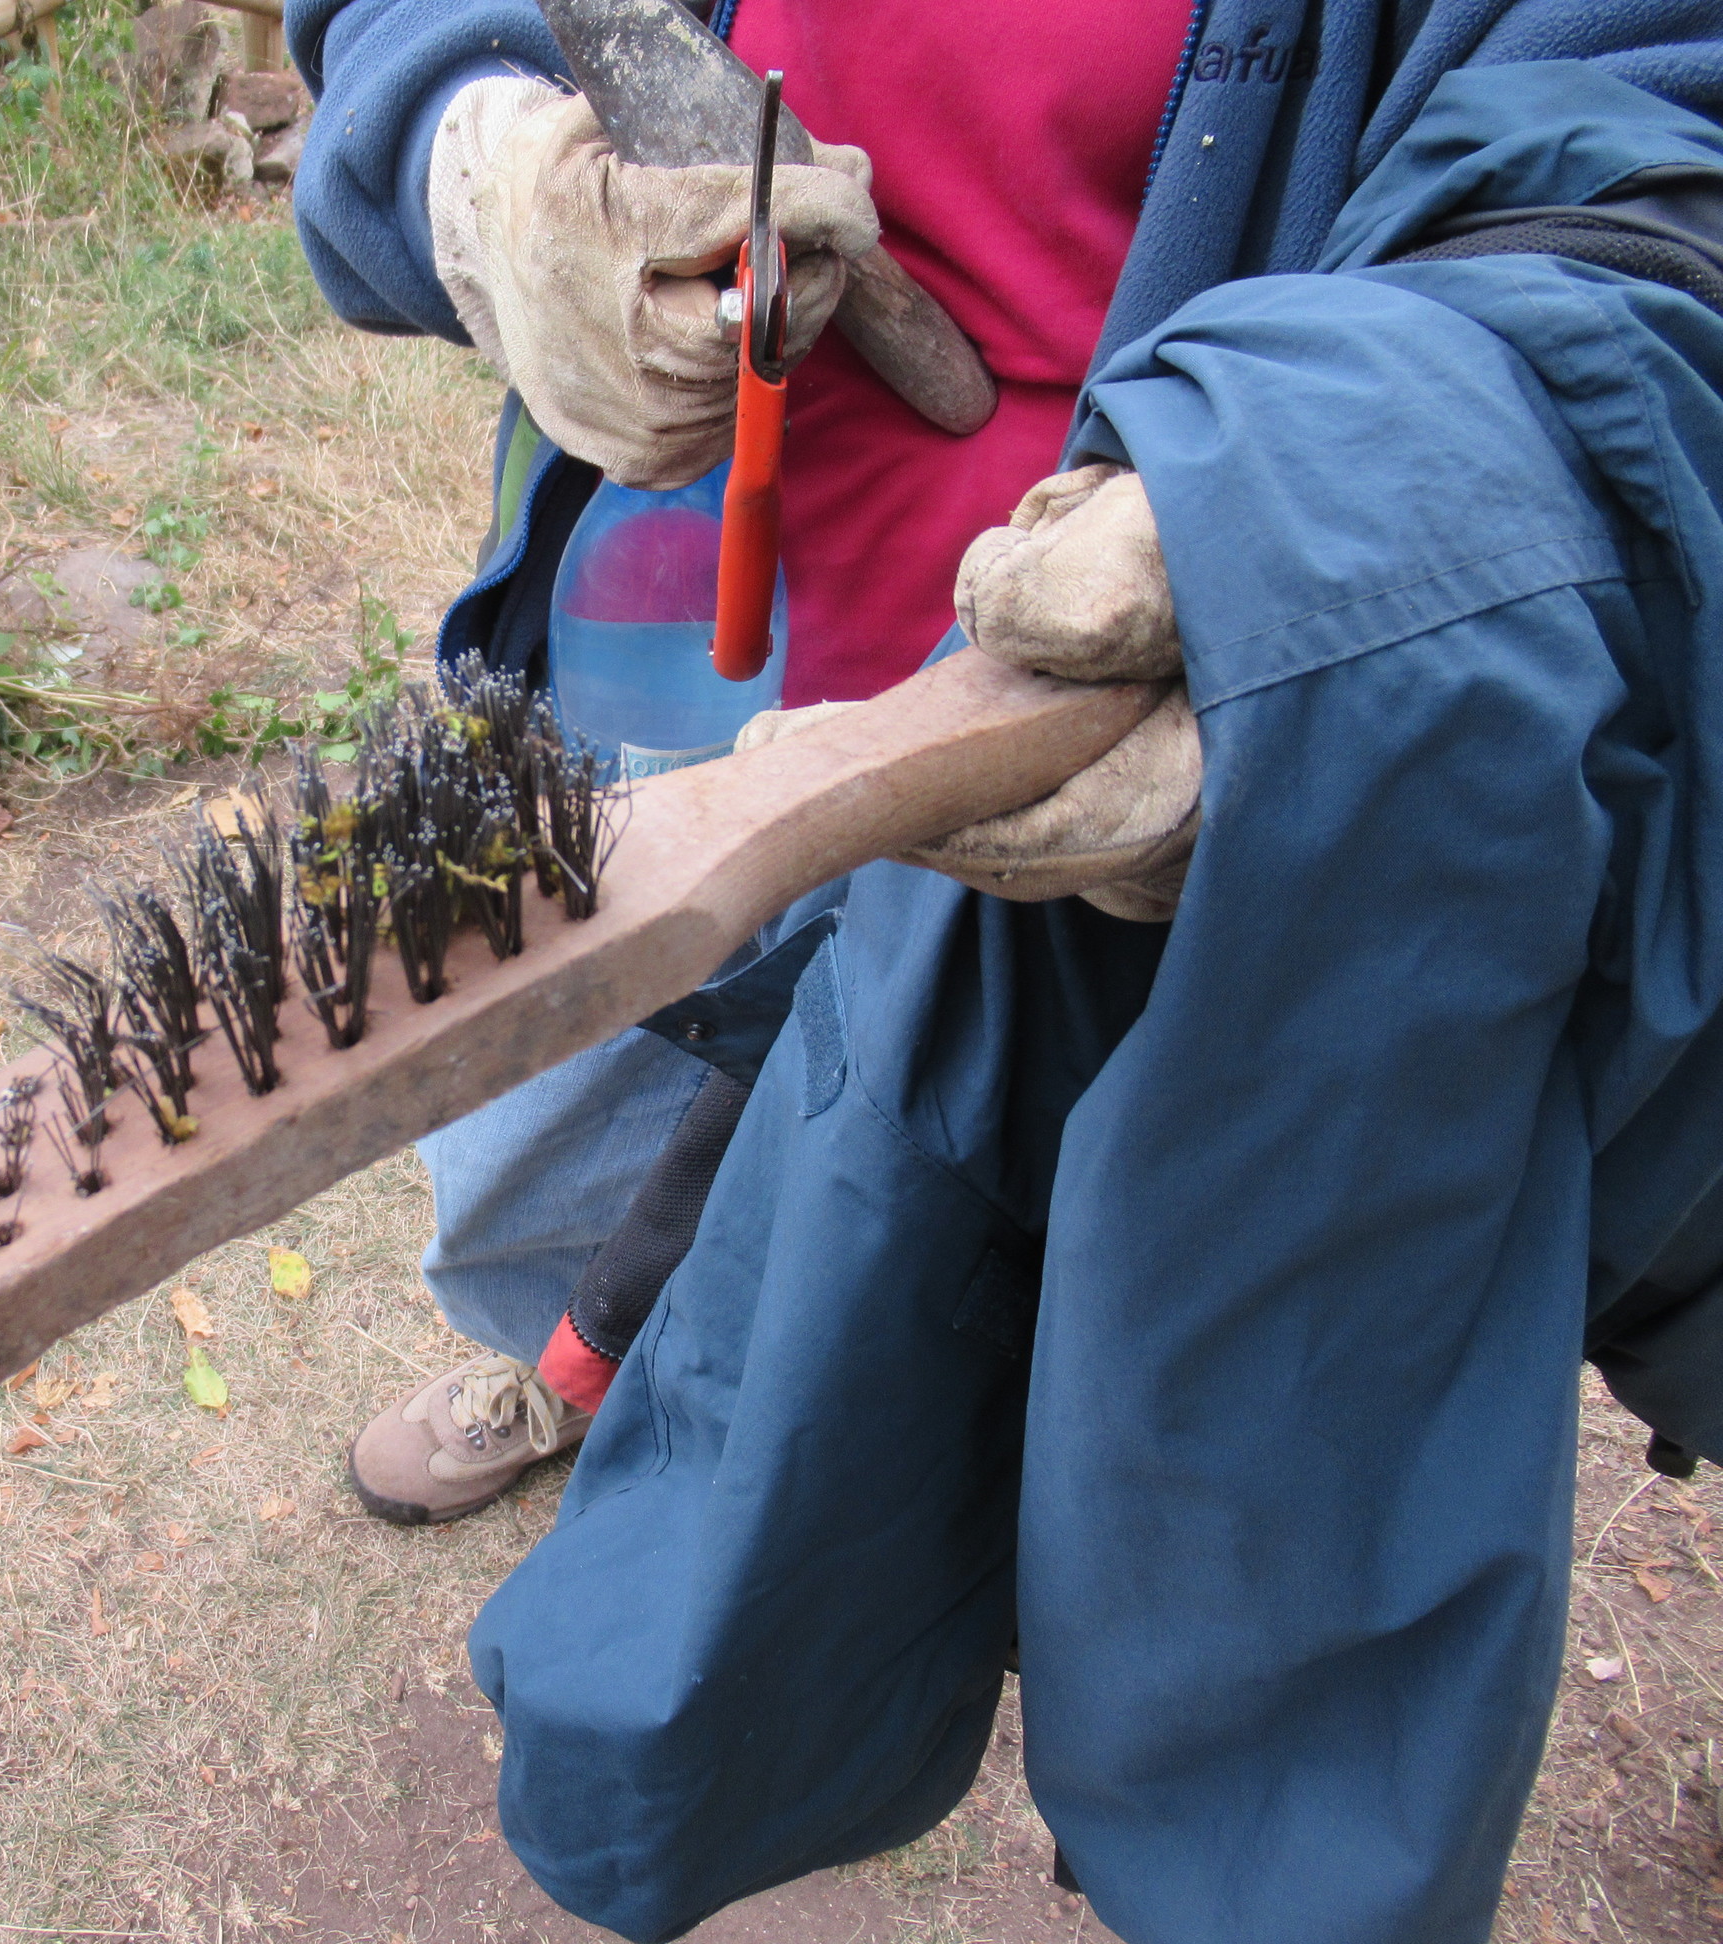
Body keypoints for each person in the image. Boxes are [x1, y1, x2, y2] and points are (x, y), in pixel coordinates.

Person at [285, 0, 1723, 1939]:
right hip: (668, 664)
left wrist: (1330, 535)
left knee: (1084, 1410)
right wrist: (464, 149)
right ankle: (599, 1376)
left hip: (1128, 729)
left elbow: (1654, 155)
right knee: (553, 1199)